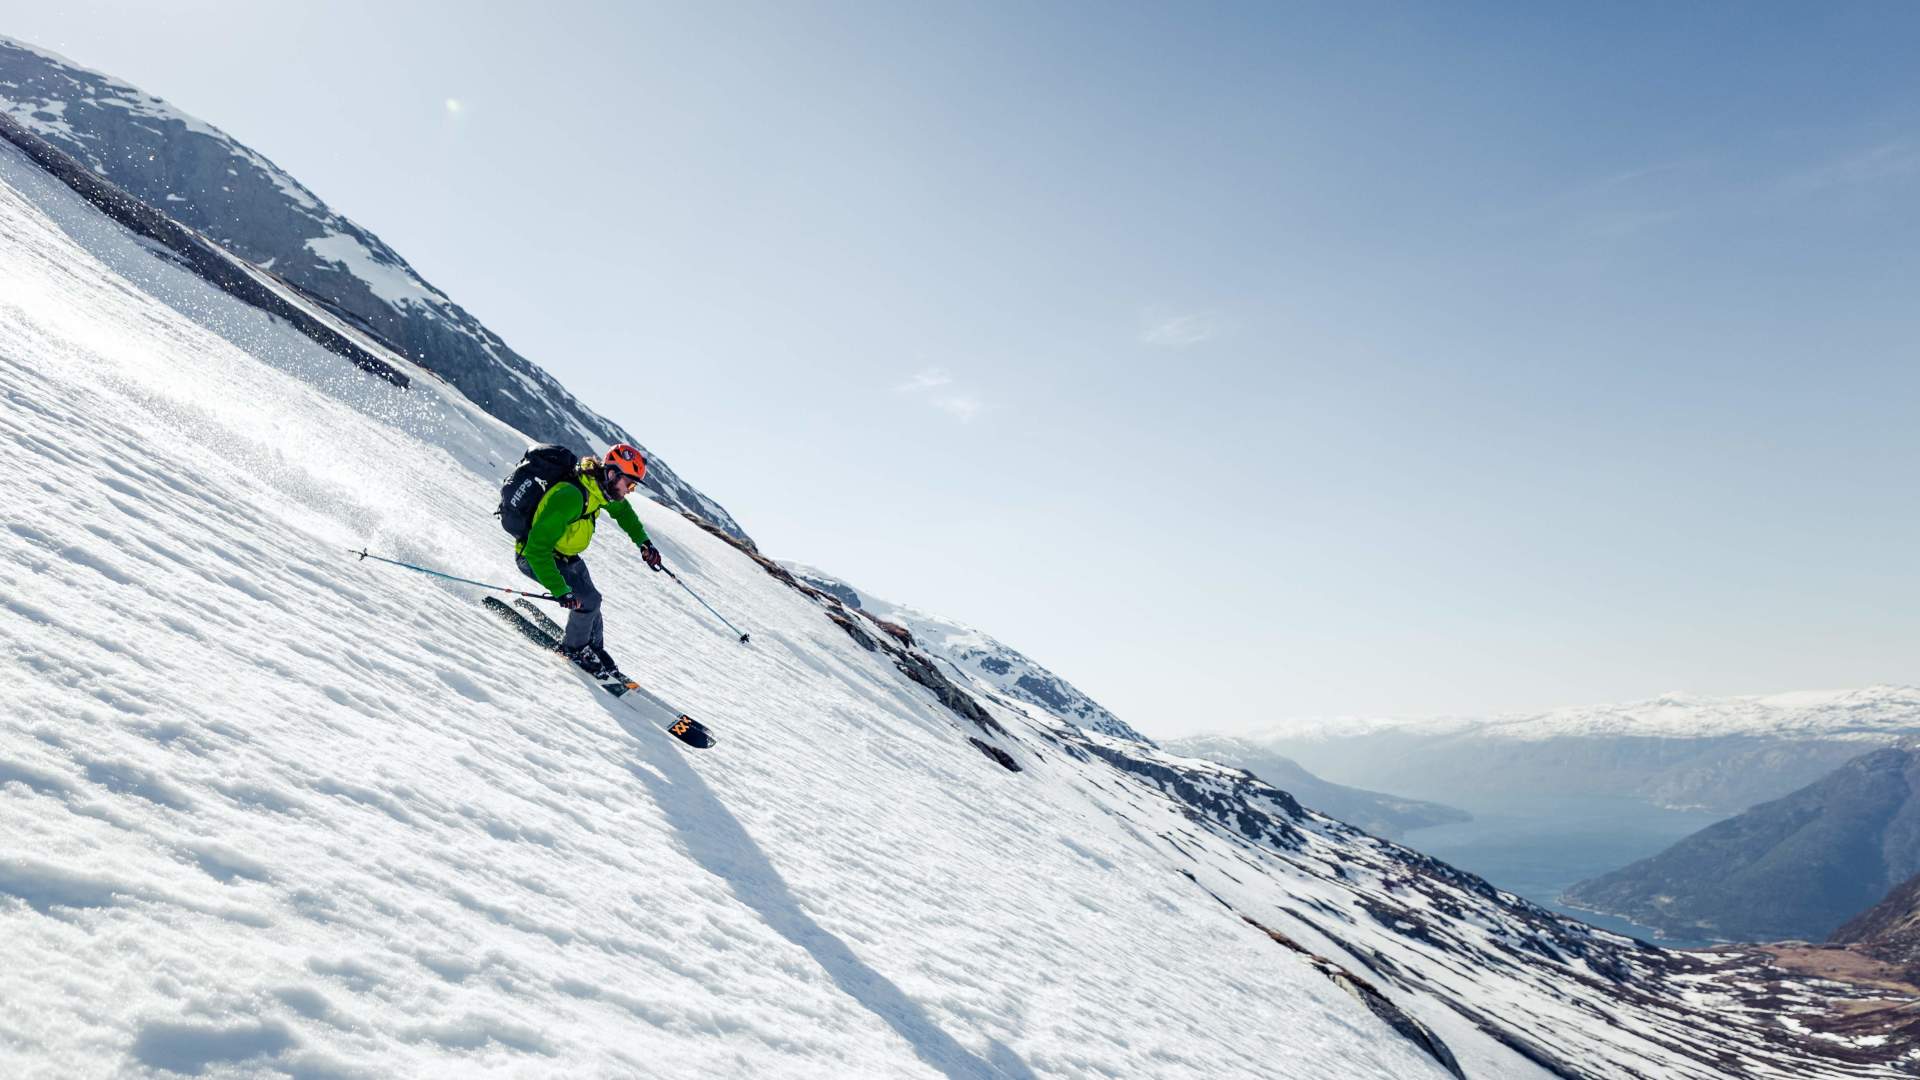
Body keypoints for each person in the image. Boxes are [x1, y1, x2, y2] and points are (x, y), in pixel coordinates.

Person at [514, 442, 663, 676]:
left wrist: (644, 543)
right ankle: (574, 649)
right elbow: (536, 548)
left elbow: (623, 513)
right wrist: (559, 589)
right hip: (534, 557)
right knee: (588, 600)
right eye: (630, 483)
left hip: (564, 556)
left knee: (593, 601)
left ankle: (593, 648)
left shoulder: (599, 488)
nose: (631, 490)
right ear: (613, 474)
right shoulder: (571, 496)